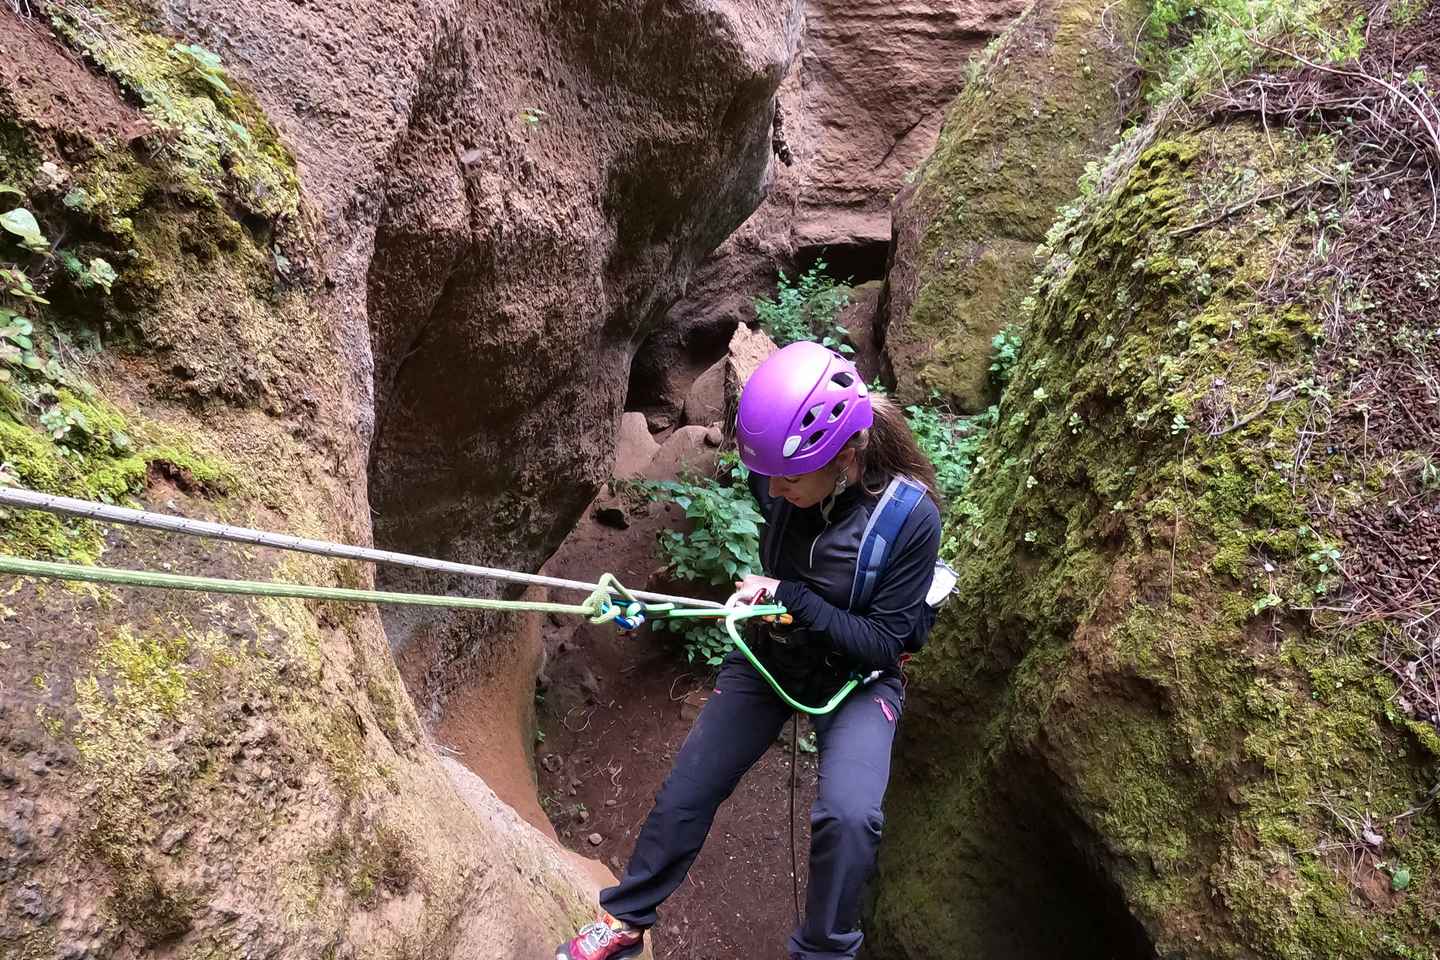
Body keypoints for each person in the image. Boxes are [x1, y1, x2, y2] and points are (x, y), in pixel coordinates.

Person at [556, 341, 944, 960]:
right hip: (775, 651)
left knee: (849, 817)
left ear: (844, 454)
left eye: (790, 478)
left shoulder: (910, 518)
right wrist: (777, 601)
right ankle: (625, 920)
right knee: (691, 782)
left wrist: (792, 596)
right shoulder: (778, 473)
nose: (774, 489)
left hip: (858, 676)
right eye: (769, 475)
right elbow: (788, 536)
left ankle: (823, 954)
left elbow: (883, 642)